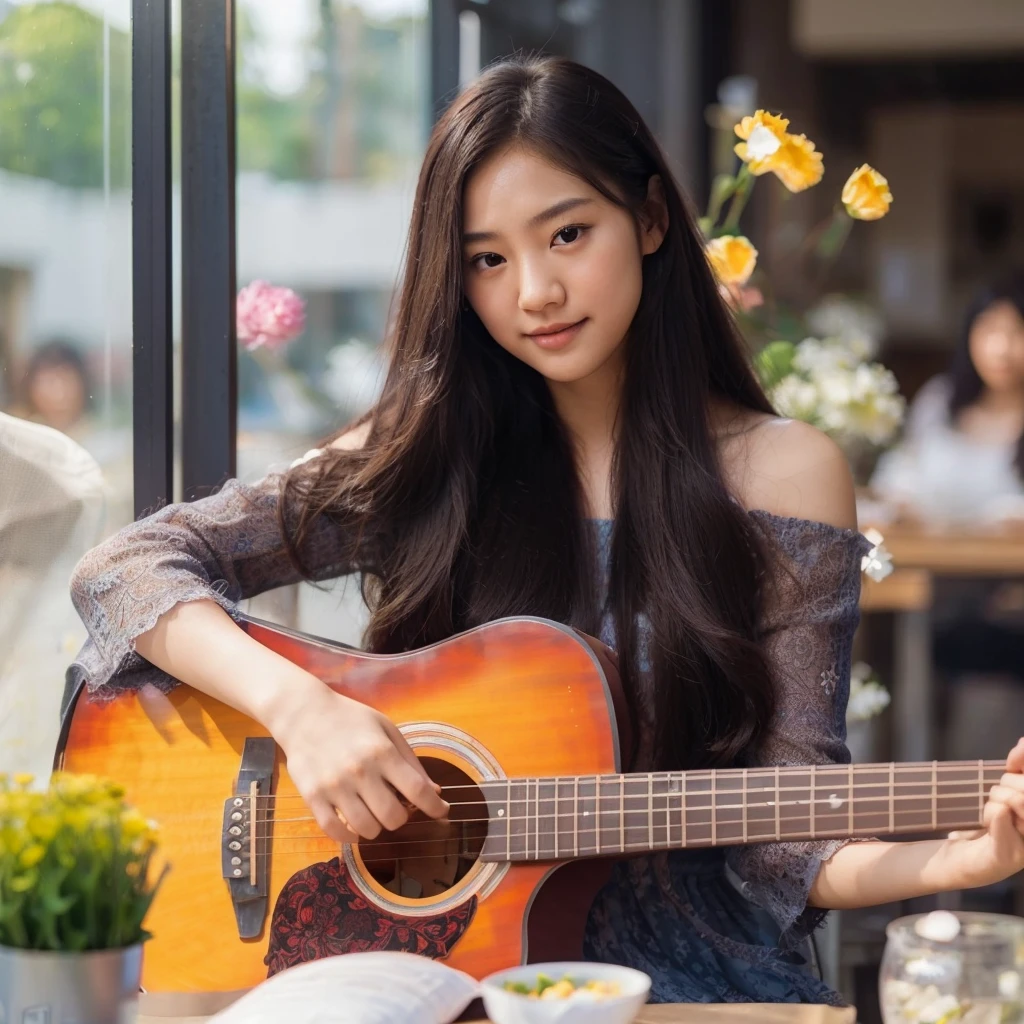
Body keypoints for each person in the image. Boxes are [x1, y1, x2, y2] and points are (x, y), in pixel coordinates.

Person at [67, 57, 1024, 1005]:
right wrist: (301, 710)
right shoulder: (428, 451)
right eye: (487, 258)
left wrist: (962, 854)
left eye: (567, 234)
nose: (534, 292)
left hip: (688, 982)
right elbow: (125, 567)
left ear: (651, 219)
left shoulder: (784, 472)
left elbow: (791, 840)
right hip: (441, 973)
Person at [871, 276, 1024, 524]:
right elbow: (901, 471)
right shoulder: (939, 398)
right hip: (929, 555)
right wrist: (901, 498)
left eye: (1018, 331)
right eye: (989, 329)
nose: (1001, 349)